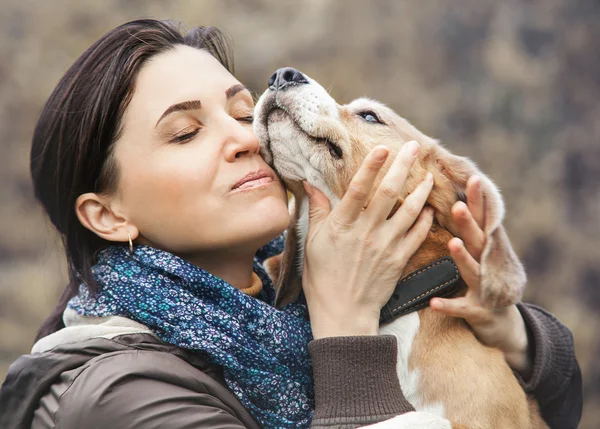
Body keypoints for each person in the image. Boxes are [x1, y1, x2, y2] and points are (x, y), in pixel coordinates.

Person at [0, 19, 581, 429]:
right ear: (107, 214)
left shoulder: (282, 309)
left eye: (241, 112)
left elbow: (550, 403)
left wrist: (514, 334)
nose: (242, 138)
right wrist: (345, 329)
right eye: (185, 133)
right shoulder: (118, 398)